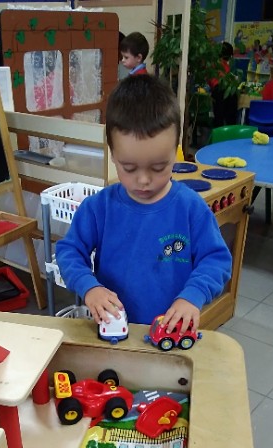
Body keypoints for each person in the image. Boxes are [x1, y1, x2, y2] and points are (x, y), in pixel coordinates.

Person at [55, 75, 232, 333]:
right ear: (113, 154)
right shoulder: (98, 208)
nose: (144, 180)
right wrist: (89, 286)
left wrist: (193, 295)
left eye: (158, 167)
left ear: (176, 151)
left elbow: (216, 260)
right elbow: (69, 251)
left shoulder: (190, 208)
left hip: (169, 330)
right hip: (114, 329)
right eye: (129, 168)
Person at [208, 41, 238, 127]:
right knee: (230, 120)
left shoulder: (212, 63)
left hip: (217, 91)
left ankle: (218, 134)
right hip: (226, 91)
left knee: (218, 119)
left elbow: (210, 80)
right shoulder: (224, 65)